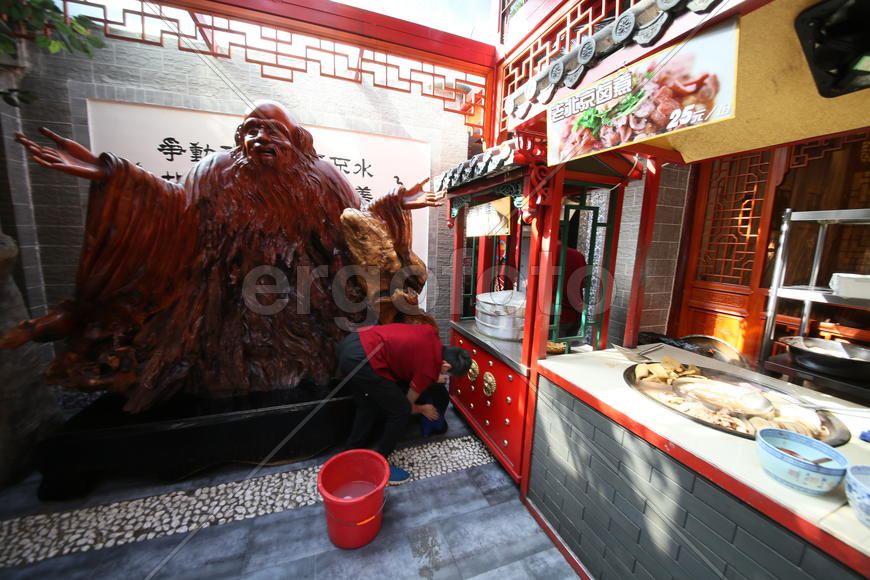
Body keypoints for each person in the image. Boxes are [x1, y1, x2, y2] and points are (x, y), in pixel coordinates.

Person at [4, 100, 440, 413]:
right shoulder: (212, 172)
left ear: (296, 140)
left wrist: (393, 204)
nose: (260, 137)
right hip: (225, 302)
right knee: (213, 369)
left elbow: (354, 226)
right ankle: (77, 323)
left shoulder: (323, 178)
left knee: (322, 357)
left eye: (273, 131)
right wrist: (110, 173)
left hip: (308, 302)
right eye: (252, 128)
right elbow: (175, 208)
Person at [336, 323, 471, 484]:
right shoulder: (427, 371)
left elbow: (413, 356)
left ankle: (350, 451)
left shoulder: (430, 333)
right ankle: (381, 461)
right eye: (447, 373)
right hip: (362, 360)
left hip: (350, 343)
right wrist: (423, 409)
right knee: (400, 411)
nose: (445, 376)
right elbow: (407, 405)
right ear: (446, 365)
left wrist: (433, 374)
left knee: (367, 404)